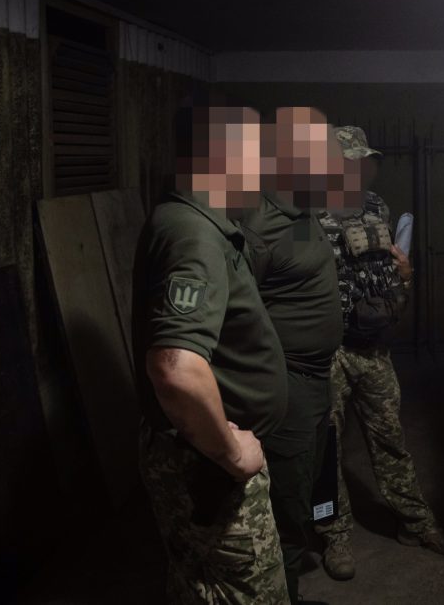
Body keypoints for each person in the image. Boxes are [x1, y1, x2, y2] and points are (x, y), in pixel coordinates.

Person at [132, 106, 290, 605]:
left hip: (198, 455)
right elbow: (175, 368)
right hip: (208, 465)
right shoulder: (194, 235)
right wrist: (232, 453)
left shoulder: (197, 221)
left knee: (201, 586)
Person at [315, 126, 444, 582]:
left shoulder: (376, 206)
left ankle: (415, 522)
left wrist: (404, 279)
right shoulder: (305, 213)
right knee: (326, 449)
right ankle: (335, 535)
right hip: (326, 352)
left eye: (364, 162)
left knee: (390, 440)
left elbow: (387, 268)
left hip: (373, 347)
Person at [238, 107, 353, 605]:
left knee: (306, 496)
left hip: (314, 380)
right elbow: (235, 315)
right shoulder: (258, 223)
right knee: (284, 514)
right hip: (285, 386)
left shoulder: (302, 212)